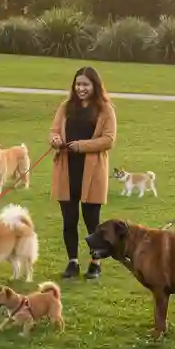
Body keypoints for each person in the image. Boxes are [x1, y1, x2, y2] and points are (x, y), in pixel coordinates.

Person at [49, 65, 117, 281]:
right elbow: (53, 131)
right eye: (78, 84)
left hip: (92, 172)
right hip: (66, 170)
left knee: (92, 221)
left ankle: (95, 262)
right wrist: (55, 140)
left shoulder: (105, 109)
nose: (81, 88)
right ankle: (72, 262)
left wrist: (81, 146)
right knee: (69, 220)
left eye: (85, 84)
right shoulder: (66, 107)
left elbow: (108, 139)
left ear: (95, 86)